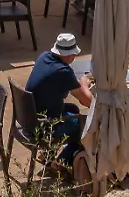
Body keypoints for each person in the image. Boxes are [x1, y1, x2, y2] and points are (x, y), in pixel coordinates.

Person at [25, 32, 92, 168]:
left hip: (29, 117)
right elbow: (87, 101)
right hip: (43, 125)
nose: (75, 57)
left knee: (73, 110)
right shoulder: (63, 72)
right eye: (74, 54)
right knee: (83, 126)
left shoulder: (44, 57)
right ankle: (62, 163)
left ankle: (47, 155)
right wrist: (84, 84)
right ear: (68, 55)